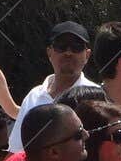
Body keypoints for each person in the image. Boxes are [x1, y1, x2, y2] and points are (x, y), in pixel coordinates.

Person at [9, 21, 101, 152]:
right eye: (61, 46)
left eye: (76, 47)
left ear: (87, 55)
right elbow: (15, 150)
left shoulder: (97, 98)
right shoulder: (33, 96)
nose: (68, 53)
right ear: (49, 53)